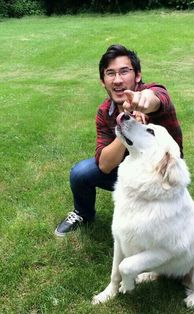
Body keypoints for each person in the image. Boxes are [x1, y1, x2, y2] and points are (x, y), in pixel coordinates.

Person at [55, 44, 183, 237]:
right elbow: (105, 165)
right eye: (110, 73)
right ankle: (83, 213)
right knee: (81, 173)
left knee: (154, 230)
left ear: (137, 75)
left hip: (162, 175)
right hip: (128, 172)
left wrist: (143, 101)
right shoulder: (104, 112)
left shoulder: (150, 92)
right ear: (102, 81)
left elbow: (158, 97)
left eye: (124, 72)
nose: (117, 80)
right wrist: (126, 127)